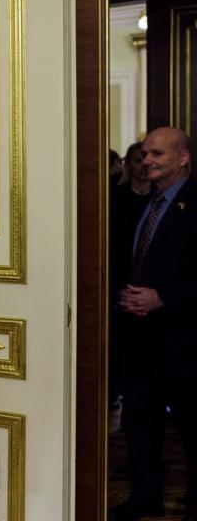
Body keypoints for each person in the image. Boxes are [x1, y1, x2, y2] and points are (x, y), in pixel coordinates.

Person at [111, 127, 197, 521]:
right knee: (139, 422)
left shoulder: (194, 204)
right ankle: (145, 499)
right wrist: (124, 297)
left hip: (183, 340)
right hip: (137, 337)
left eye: (157, 154)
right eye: (144, 154)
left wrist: (162, 298)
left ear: (183, 157)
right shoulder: (138, 206)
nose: (147, 161)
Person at [108, 142, 151, 406]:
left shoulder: (161, 199)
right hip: (120, 292)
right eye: (139, 159)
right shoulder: (115, 197)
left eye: (151, 157)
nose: (145, 165)